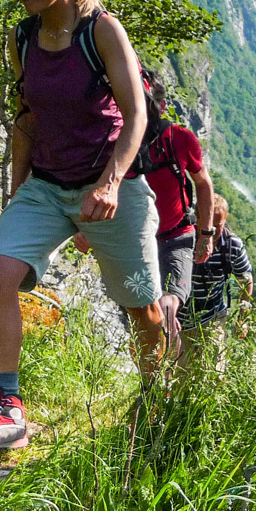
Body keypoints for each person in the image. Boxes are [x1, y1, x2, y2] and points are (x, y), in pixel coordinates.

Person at [0, 0, 164, 455]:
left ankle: (161, 405)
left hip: (111, 187)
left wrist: (110, 183)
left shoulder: (102, 31)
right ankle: (5, 409)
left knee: (143, 310)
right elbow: (27, 116)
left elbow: (136, 116)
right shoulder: (22, 37)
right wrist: (17, 190)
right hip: (45, 186)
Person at [75, 73, 215, 353]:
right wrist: (87, 228)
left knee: (168, 304)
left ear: (160, 107)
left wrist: (206, 233)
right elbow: (100, 186)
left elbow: (204, 184)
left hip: (176, 237)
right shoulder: (114, 143)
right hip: (135, 240)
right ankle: (154, 382)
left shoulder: (180, 139)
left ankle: (165, 383)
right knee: (141, 317)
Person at [177, 194, 253, 373]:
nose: (211, 231)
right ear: (198, 219)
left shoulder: (232, 245)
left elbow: (246, 280)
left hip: (212, 317)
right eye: (207, 224)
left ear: (225, 222)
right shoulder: (183, 239)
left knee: (215, 374)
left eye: (218, 226)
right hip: (179, 319)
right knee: (180, 376)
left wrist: (242, 319)